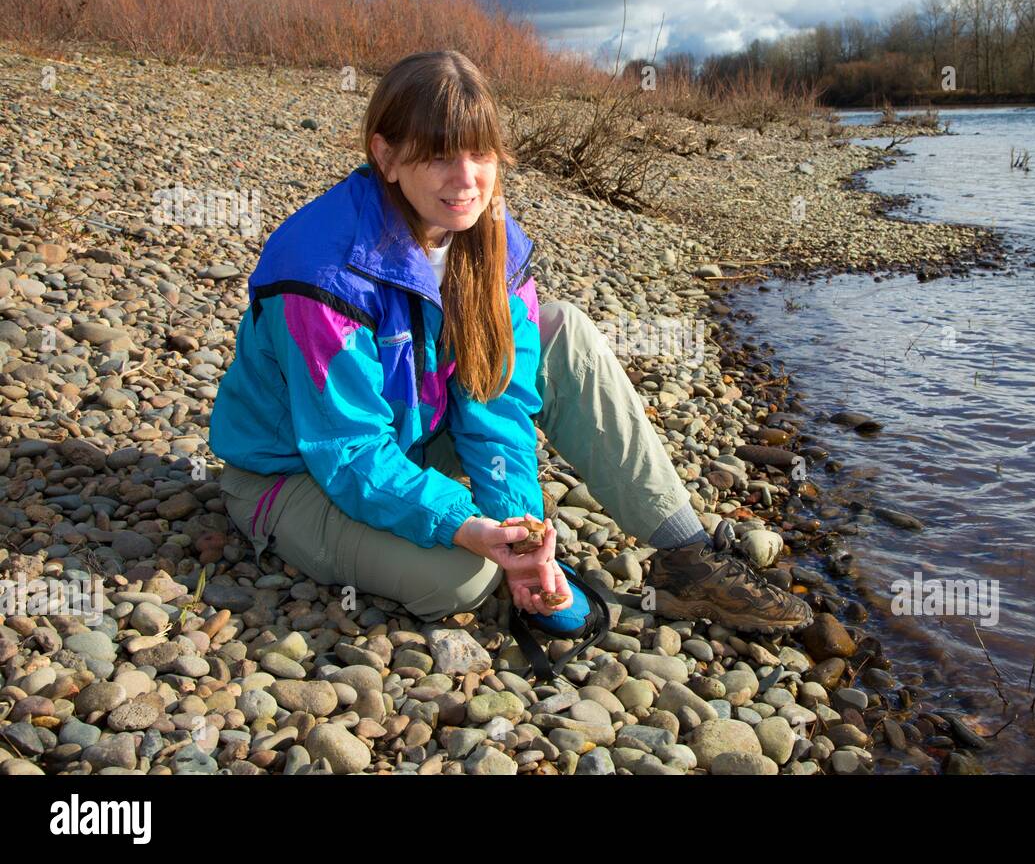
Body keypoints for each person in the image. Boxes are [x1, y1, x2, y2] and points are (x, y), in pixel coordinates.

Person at [208, 50, 812, 635]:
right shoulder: (323, 276)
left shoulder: (492, 243)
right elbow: (350, 451)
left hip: (414, 431)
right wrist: (462, 525)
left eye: (480, 153)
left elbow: (494, 401)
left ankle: (686, 554)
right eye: (441, 156)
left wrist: (523, 533)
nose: (467, 180)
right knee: (461, 578)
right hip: (297, 472)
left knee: (563, 330)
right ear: (386, 156)